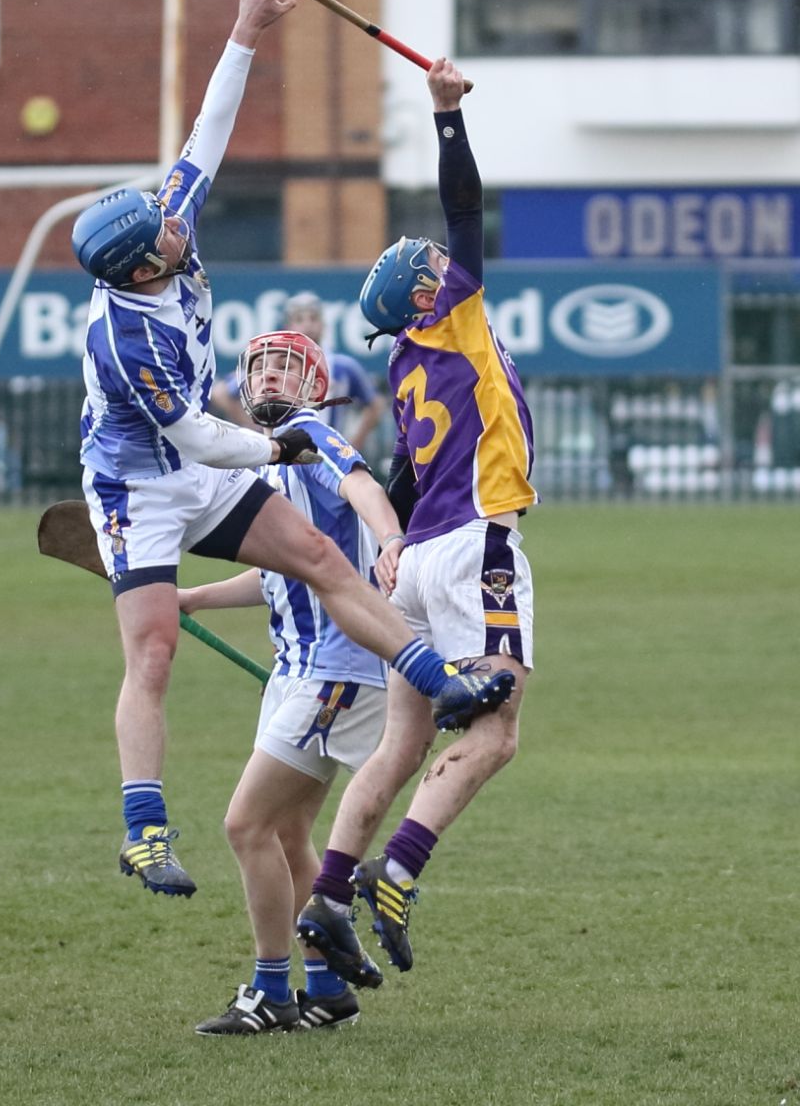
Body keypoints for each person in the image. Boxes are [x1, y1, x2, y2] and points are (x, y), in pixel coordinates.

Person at [71, 0, 510, 906]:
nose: (179, 219)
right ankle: (143, 829)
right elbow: (194, 437)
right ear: (145, 268)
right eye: (166, 230)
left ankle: (435, 676)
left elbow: (205, 141)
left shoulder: (161, 230)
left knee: (316, 552)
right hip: (140, 482)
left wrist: (247, 31)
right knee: (152, 647)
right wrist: (277, 449)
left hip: (203, 463)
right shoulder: (122, 342)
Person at [296, 56, 538, 984]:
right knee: (497, 730)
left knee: (401, 743)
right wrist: (445, 117)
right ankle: (396, 872)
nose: (445, 259)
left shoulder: (403, 364)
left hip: (421, 559)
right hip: (479, 544)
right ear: (431, 295)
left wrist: (384, 557)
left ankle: (326, 894)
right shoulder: (456, 319)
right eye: (434, 266)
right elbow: (467, 209)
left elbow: (401, 476)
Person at [185, 330, 401, 1035]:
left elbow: (361, 483)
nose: (272, 376)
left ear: (315, 385)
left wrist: (391, 539)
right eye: (260, 366)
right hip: (300, 671)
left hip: (334, 670)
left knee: (245, 825)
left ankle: (271, 992)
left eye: (289, 366)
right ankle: (326, 988)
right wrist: (191, 599)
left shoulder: (310, 435)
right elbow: (277, 573)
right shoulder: (272, 465)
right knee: (284, 833)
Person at [211, 291, 386, 451]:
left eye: (313, 318)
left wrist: (354, 443)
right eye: (299, 319)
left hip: (327, 450)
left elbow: (375, 404)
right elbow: (221, 392)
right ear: (288, 325)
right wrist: (254, 429)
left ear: (324, 325)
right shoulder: (274, 363)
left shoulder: (344, 367)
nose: (307, 325)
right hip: (283, 453)